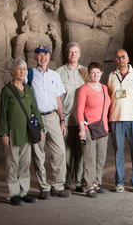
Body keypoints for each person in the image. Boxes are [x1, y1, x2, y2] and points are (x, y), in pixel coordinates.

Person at [0, 59, 44, 205]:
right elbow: (3, 114)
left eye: (24, 69)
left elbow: (35, 110)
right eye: (19, 69)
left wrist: (41, 128)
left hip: (27, 132)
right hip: (13, 132)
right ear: (13, 71)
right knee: (12, 164)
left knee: (25, 163)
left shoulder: (28, 89)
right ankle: (13, 194)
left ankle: (23, 192)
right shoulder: (7, 90)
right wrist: (4, 133)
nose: (22, 72)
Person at [28, 45, 70, 199]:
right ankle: (43, 187)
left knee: (59, 151)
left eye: (45, 55)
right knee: (39, 153)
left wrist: (62, 120)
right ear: (35, 57)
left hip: (52, 116)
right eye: (39, 55)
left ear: (49, 56)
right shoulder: (29, 75)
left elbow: (58, 99)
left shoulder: (54, 75)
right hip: (36, 117)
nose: (43, 57)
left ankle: (57, 186)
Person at [107, 49, 133, 193]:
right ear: (115, 60)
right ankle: (119, 181)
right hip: (116, 118)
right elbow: (109, 96)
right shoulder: (111, 76)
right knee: (118, 152)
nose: (121, 59)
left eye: (123, 57)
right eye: (118, 57)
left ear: (128, 59)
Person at [56, 42, 88, 192]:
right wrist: (61, 120)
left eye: (76, 52)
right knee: (67, 152)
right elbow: (57, 99)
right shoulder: (59, 72)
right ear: (67, 54)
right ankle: (68, 181)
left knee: (81, 151)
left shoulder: (86, 72)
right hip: (67, 119)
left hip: (82, 120)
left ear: (79, 54)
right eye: (70, 52)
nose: (73, 54)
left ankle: (80, 182)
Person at [77, 62, 111, 198]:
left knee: (101, 157)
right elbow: (80, 110)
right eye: (92, 73)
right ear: (88, 74)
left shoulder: (104, 88)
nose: (95, 75)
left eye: (97, 72)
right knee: (89, 157)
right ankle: (89, 185)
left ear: (101, 73)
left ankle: (96, 182)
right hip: (88, 127)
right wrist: (81, 130)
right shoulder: (84, 89)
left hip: (102, 127)